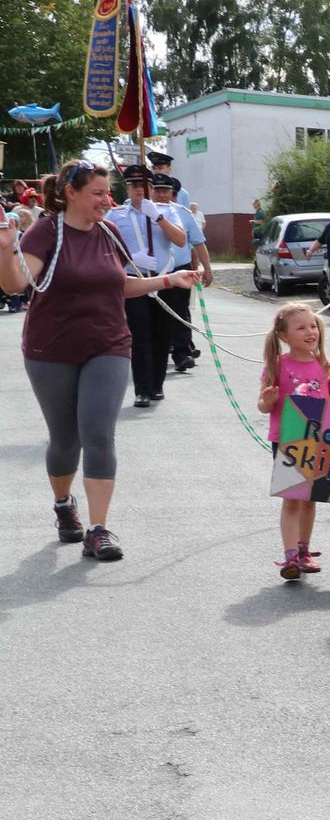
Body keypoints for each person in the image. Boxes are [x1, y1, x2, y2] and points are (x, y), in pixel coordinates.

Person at [1, 160, 199, 561]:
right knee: (65, 439)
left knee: (98, 434)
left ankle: (99, 529)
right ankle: (63, 504)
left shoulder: (109, 231)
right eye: (97, 193)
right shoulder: (46, 231)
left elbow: (119, 283)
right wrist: (6, 250)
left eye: (108, 193)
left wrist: (168, 280)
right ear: (71, 193)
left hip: (108, 344)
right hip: (51, 349)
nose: (107, 201)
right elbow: (17, 284)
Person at [259, 303, 330, 579]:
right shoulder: (277, 365)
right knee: (292, 499)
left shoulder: (326, 367)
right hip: (288, 441)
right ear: (284, 336)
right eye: (301, 328)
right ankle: (290, 557)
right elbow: (263, 405)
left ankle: (304, 551)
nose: (310, 332)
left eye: (313, 326)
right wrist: (268, 400)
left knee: (310, 499)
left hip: (318, 442)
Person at [105, 165, 189, 408]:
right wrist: (131, 257)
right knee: (139, 336)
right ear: (127, 188)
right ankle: (142, 389)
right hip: (135, 281)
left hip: (164, 279)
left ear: (151, 188)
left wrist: (159, 218)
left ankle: (156, 385)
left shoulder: (167, 211)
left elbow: (180, 240)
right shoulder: (116, 215)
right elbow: (104, 247)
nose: (139, 190)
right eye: (134, 186)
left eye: (144, 186)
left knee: (162, 334)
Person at [151, 174, 207, 371]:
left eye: (165, 191)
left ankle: (182, 354)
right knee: (157, 313)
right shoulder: (142, 213)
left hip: (181, 268)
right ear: (152, 191)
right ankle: (158, 350)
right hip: (154, 272)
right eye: (157, 190)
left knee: (180, 312)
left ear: (172, 194)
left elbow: (198, 242)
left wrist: (207, 269)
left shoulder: (183, 213)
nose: (161, 195)